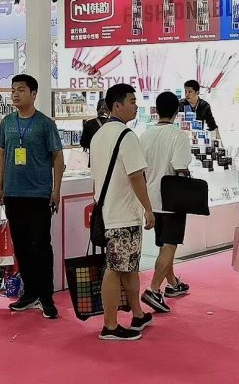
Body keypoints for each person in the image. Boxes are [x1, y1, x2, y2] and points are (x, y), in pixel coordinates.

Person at [0, 74, 64, 319]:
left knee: (41, 246)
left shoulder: (45, 123)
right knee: (22, 246)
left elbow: (57, 157)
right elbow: (1, 154)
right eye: (13, 90)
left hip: (39, 194)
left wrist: (56, 190)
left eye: (21, 90)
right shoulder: (6, 123)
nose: (15, 94)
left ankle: (46, 296)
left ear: (33, 94)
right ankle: (30, 293)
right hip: (13, 193)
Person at [91, 83, 154, 341]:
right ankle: (110, 325)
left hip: (108, 211)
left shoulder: (99, 135)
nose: (135, 106)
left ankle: (137, 313)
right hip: (123, 213)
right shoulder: (127, 136)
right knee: (116, 269)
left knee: (128, 267)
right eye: (131, 101)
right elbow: (136, 176)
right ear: (116, 106)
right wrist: (148, 208)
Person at [139, 91, 192, 313]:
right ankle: (153, 289)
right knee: (170, 245)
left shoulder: (144, 136)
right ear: (177, 111)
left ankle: (173, 283)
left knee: (163, 245)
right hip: (172, 200)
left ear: (156, 110)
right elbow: (180, 168)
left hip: (151, 199)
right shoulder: (178, 136)